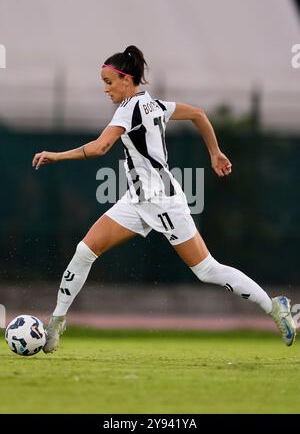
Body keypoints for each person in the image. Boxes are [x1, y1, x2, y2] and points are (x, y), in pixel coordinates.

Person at [32, 45, 296, 353]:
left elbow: (101, 147)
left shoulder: (129, 108)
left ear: (126, 79)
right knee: (85, 251)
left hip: (163, 200)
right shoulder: (153, 104)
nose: (105, 89)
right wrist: (215, 152)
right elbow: (198, 114)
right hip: (137, 200)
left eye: (108, 82)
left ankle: (275, 306)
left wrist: (56, 155)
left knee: (207, 269)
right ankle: (57, 322)